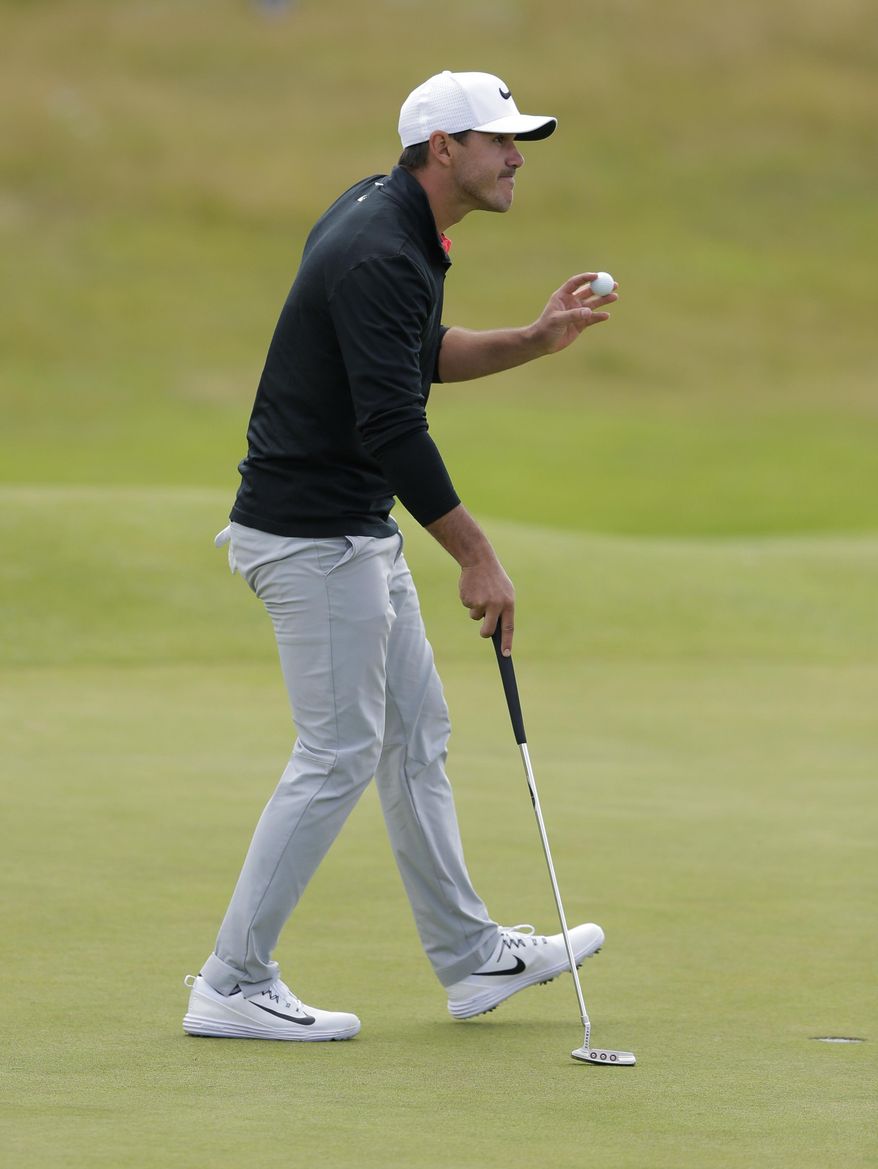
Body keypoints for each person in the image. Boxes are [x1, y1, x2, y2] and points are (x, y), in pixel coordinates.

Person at [183, 70, 618, 1042]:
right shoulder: (379, 246)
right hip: (309, 537)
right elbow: (391, 421)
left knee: (413, 737)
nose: (514, 157)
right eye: (497, 140)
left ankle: (470, 956)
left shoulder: (393, 222)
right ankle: (230, 979)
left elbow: (409, 356)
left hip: (350, 529)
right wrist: (475, 554)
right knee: (335, 753)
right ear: (440, 149)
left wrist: (534, 339)